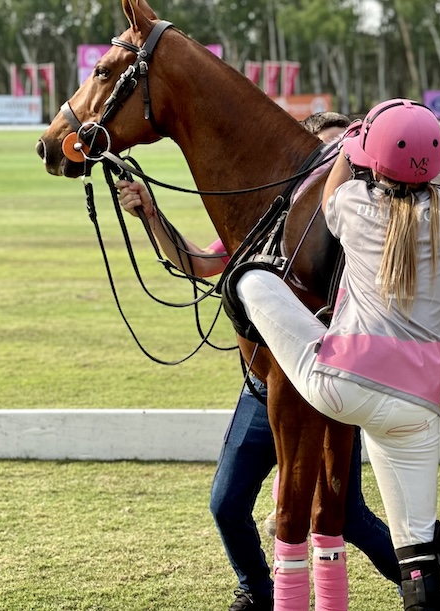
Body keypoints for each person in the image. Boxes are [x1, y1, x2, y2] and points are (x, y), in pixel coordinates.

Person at [221, 99, 440, 611]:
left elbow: (333, 187)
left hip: (337, 385)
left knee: (249, 276)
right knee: (417, 551)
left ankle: (263, 373)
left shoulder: (353, 203)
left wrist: (352, 144)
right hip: (415, 410)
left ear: (374, 157)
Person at [116, 112, 400, 611]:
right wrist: (151, 215)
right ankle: (256, 589)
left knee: (343, 516)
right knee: (225, 506)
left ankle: (422, 577)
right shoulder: (263, 230)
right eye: (323, 157)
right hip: (264, 394)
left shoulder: (359, 237)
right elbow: (199, 264)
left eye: (343, 158)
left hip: (329, 398)